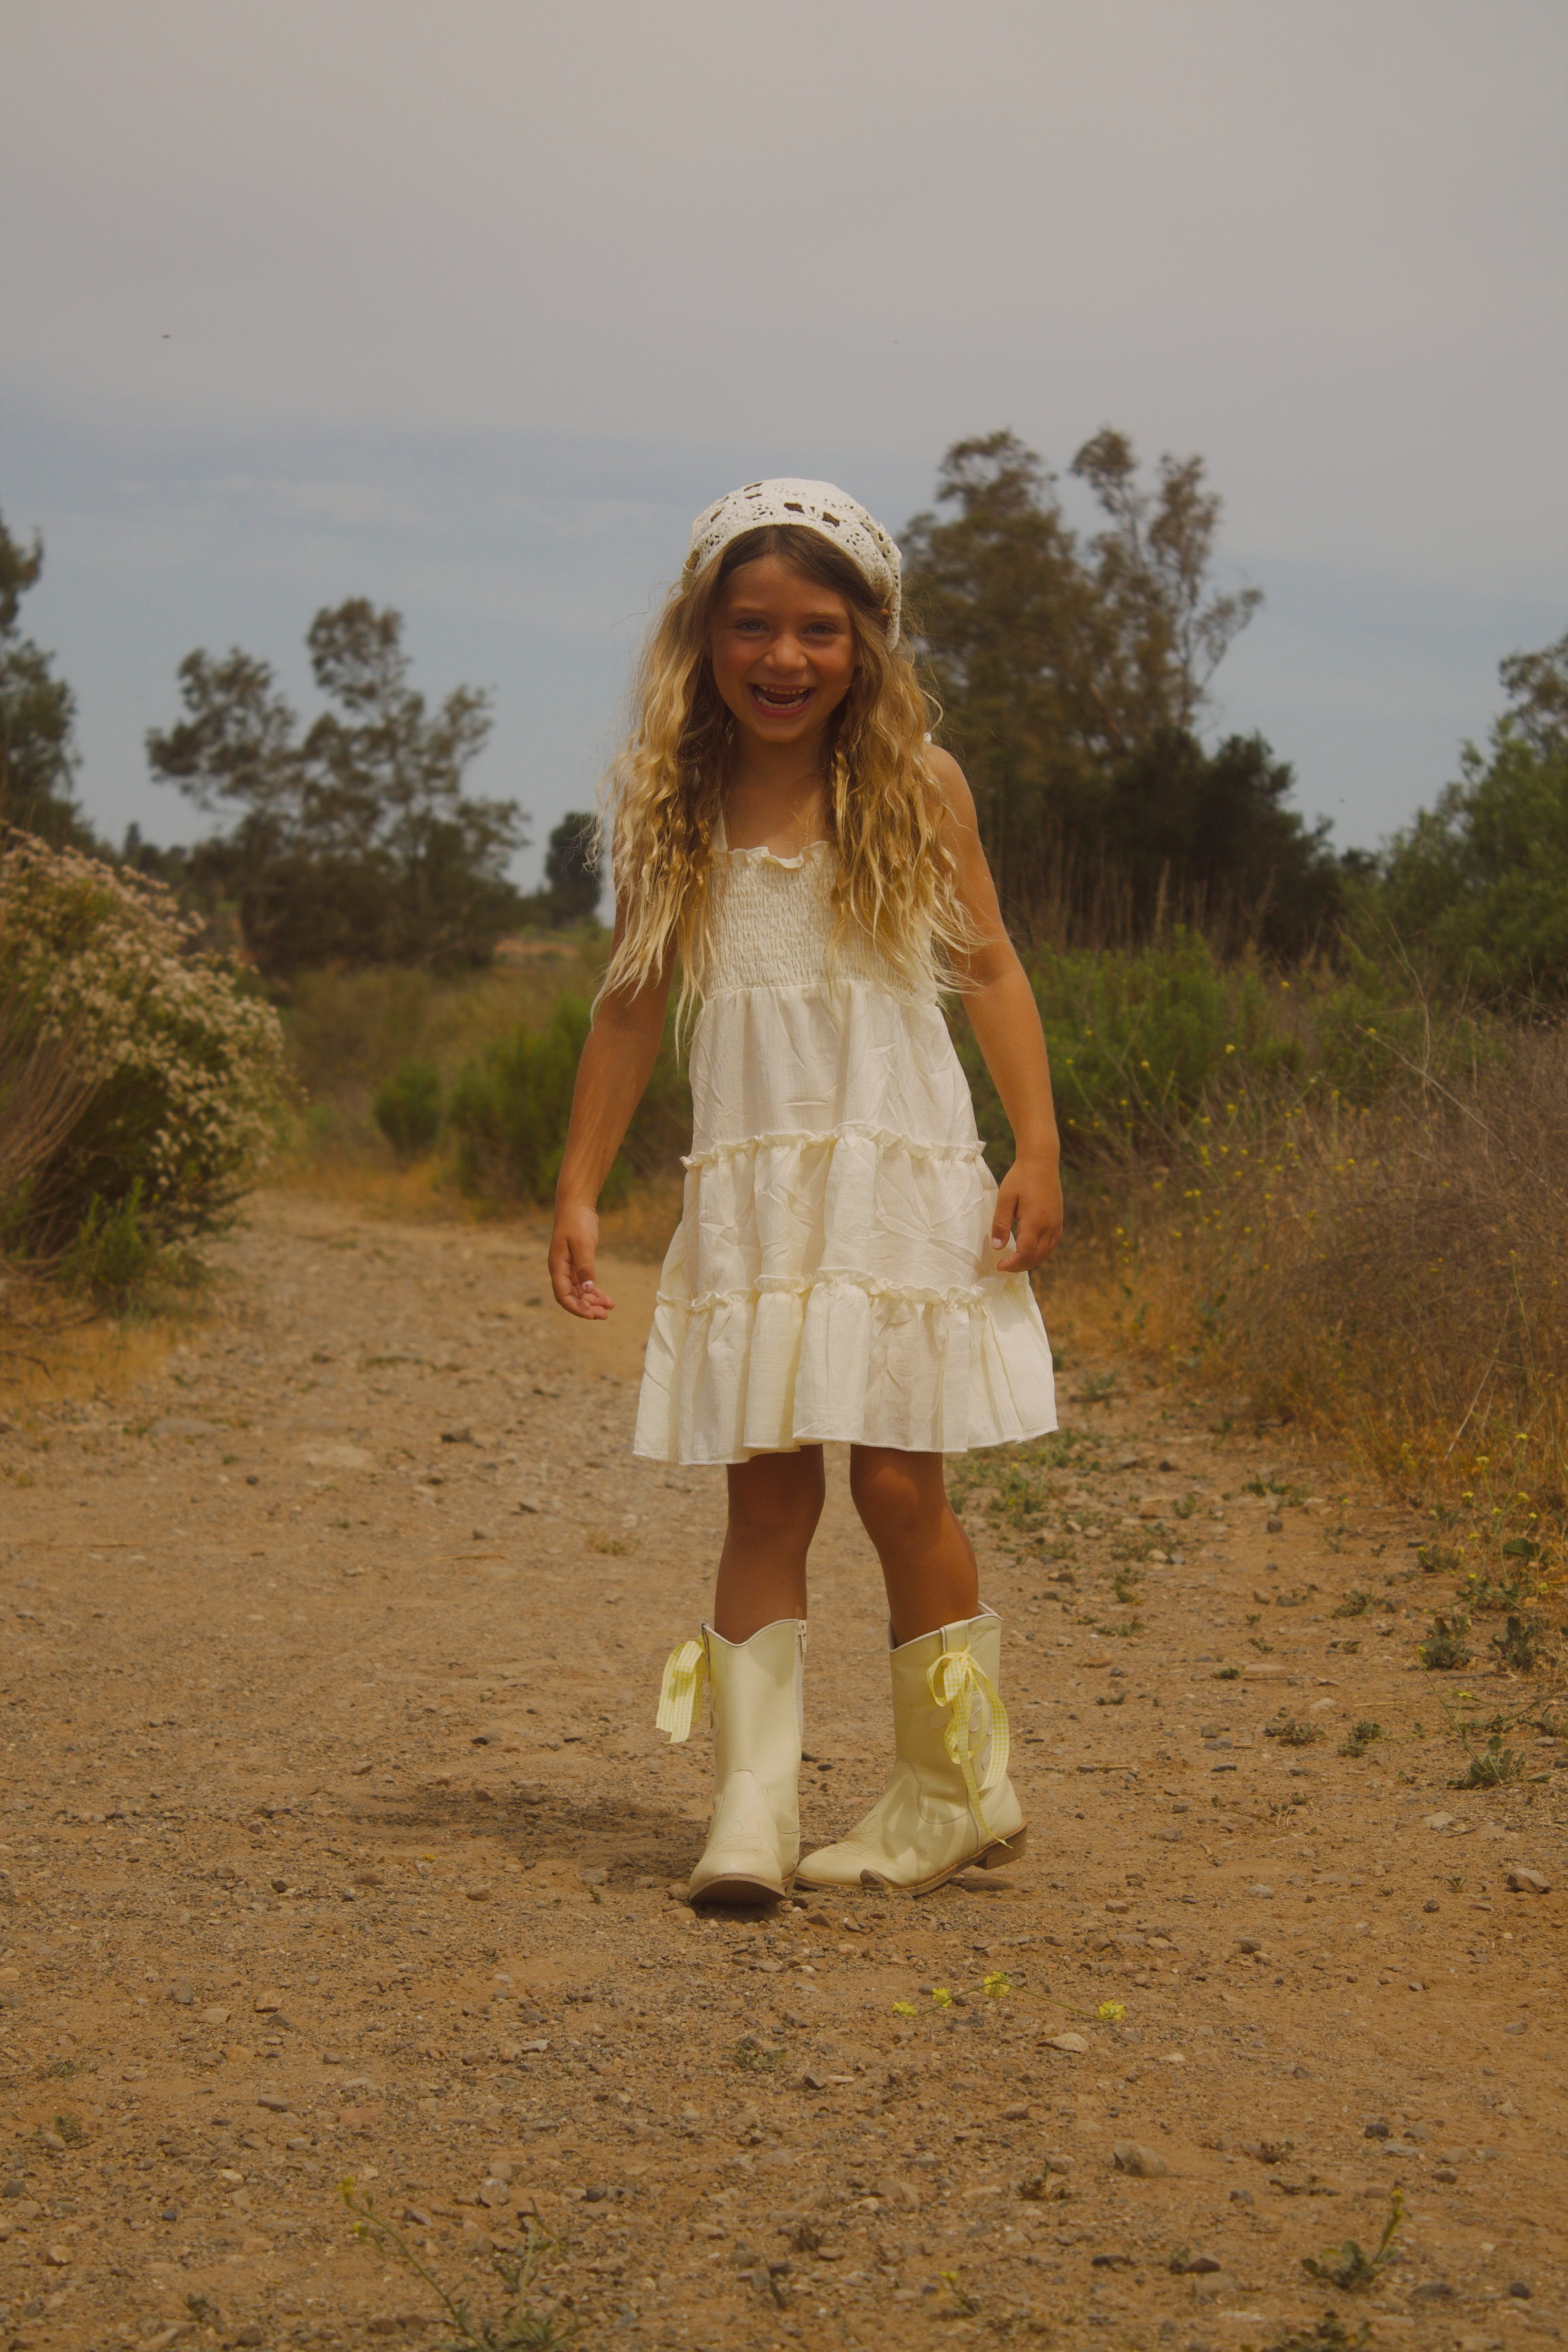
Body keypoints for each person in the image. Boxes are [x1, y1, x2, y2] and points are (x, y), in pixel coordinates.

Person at [548, 480, 1061, 1903]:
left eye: (818, 631)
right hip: (760, 1193)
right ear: (702, 635)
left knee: (902, 1486)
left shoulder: (917, 786)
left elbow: (992, 968)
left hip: (895, 1177)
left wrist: (1038, 1143)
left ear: (868, 644)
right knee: (765, 1493)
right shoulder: (670, 802)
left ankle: (955, 1788)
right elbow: (630, 1008)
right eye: (752, 626)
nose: (783, 658)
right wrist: (581, 1188)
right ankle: (751, 1812)